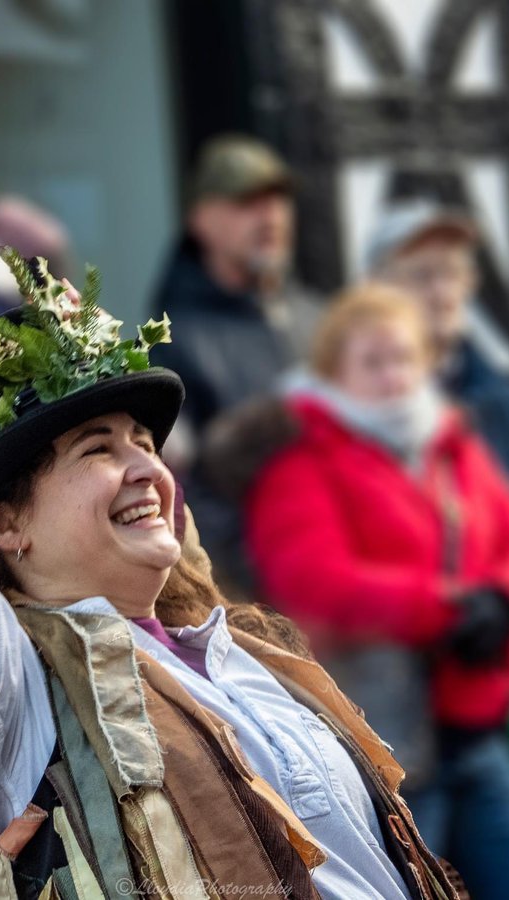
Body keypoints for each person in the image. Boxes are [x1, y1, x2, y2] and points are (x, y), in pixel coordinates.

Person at [0, 151, 466, 900]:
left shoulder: (249, 657)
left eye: (145, 443)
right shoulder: (9, 705)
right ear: (7, 525)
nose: (145, 468)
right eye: (97, 450)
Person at [221, 282, 509, 900]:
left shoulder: (449, 443)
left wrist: (507, 602)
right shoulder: (301, 456)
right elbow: (313, 584)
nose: (393, 377)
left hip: (473, 729)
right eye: (373, 362)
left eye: (404, 358)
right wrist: (451, 610)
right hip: (386, 747)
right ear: (333, 371)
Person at [368, 200, 509, 661]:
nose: (442, 292)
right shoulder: (340, 412)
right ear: (376, 288)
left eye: (453, 273)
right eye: (422, 275)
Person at [151, 133, 323, 588]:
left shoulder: (318, 318)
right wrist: (265, 591)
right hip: (267, 598)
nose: (271, 216)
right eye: (248, 200)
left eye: (278, 199)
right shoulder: (173, 340)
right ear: (201, 219)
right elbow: (184, 495)